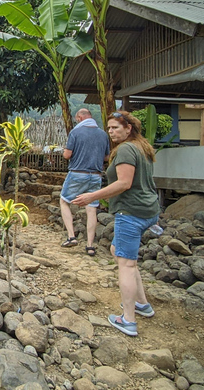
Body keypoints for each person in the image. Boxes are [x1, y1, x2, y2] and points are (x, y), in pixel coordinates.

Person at [72, 110, 160, 337]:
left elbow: (123, 183)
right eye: (109, 128)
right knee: (117, 251)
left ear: (128, 128)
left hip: (131, 212)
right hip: (148, 209)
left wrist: (92, 196)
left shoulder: (126, 150)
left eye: (115, 128)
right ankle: (142, 303)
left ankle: (128, 320)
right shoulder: (141, 147)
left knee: (126, 264)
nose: (111, 132)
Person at [59, 108, 110, 256]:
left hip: (77, 173)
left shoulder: (75, 132)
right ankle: (90, 246)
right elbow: (106, 157)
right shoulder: (103, 134)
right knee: (91, 208)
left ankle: (71, 236)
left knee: (64, 201)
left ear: (80, 118)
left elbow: (67, 155)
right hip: (96, 175)